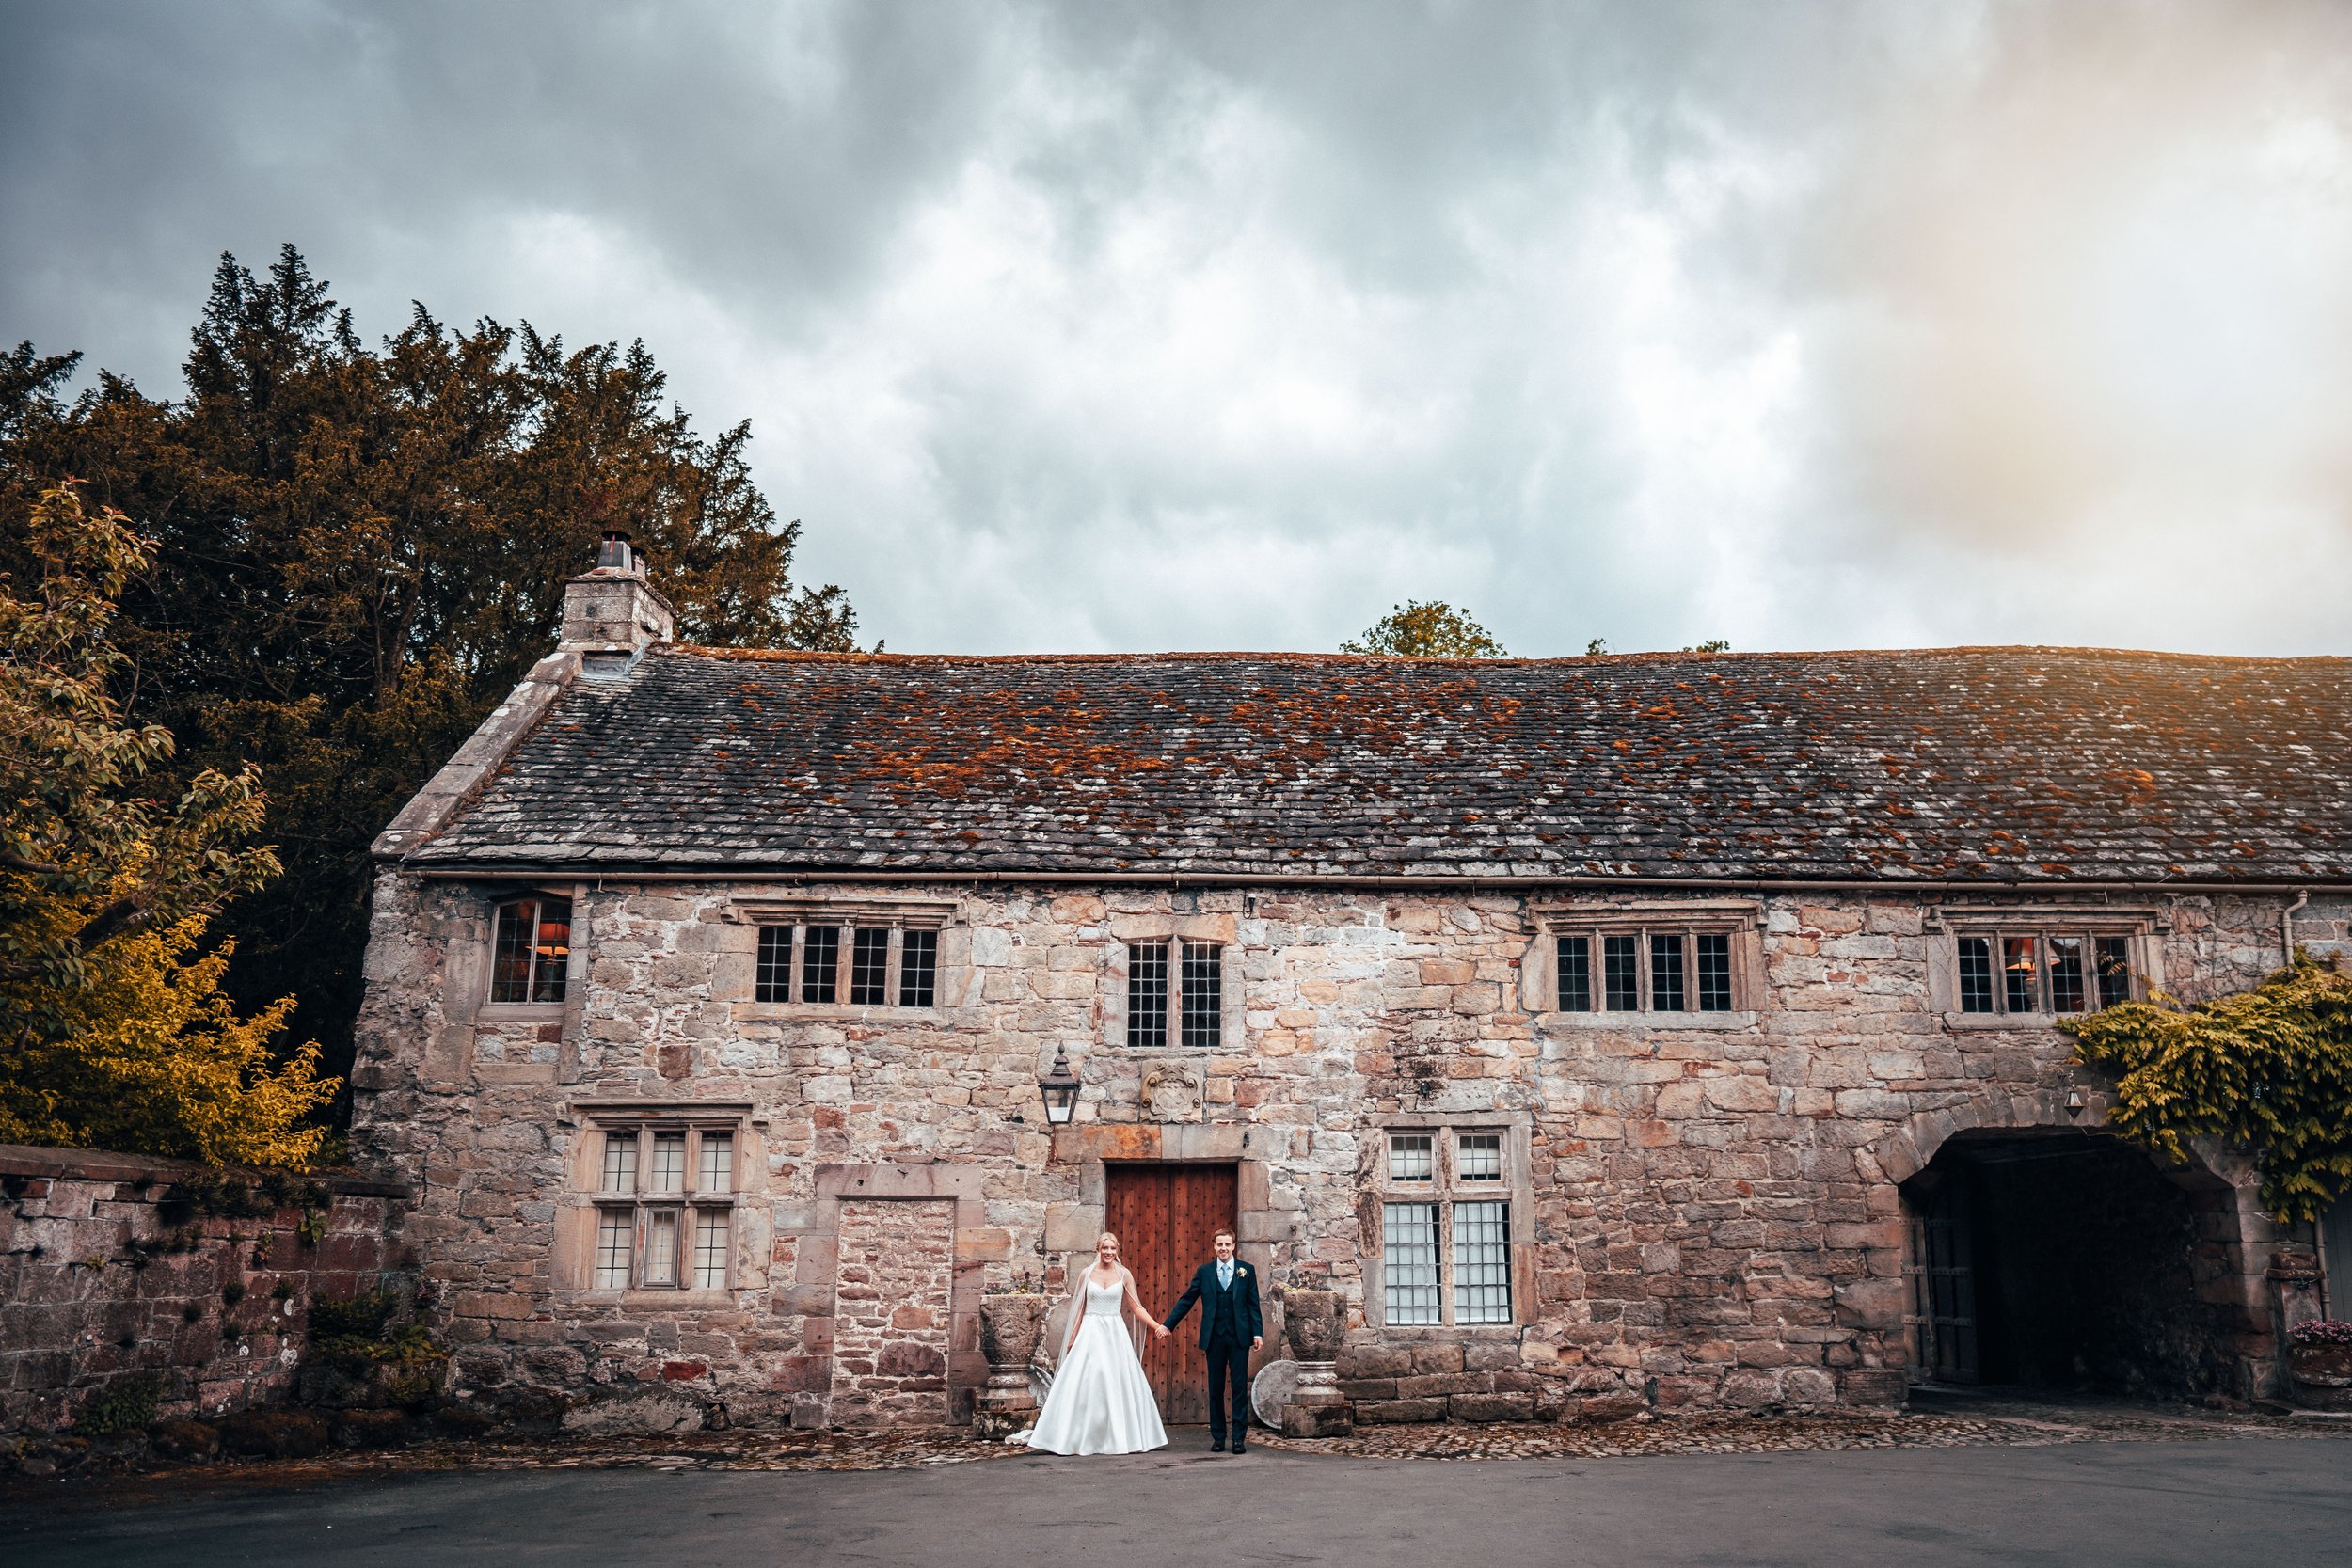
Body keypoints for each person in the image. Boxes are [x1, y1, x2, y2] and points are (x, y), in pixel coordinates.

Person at [1017, 1232, 1170, 1455]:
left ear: (1117, 1250)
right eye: (1104, 1249)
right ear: (1097, 1250)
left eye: (1112, 1249)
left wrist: (1157, 1326)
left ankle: (1118, 1436)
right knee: (1087, 1378)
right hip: (1091, 1330)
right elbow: (1080, 1308)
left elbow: (1136, 1307)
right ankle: (1076, 1435)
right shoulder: (1086, 1274)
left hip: (1114, 1332)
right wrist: (1072, 1337)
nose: (1108, 1253)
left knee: (1115, 1381)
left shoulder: (1124, 1274)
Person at [1160, 1228, 1262, 1454]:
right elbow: (1187, 1300)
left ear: (1233, 1245)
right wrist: (1168, 1325)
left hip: (1239, 1337)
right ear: (1214, 1246)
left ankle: (1238, 1439)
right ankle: (1218, 1437)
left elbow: (1253, 1304)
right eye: (1219, 1245)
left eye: (1227, 1244)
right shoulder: (1204, 1272)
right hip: (1214, 1337)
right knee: (1215, 1388)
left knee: (1237, 1387)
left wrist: (1257, 1333)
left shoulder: (1247, 1270)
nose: (1223, 1248)